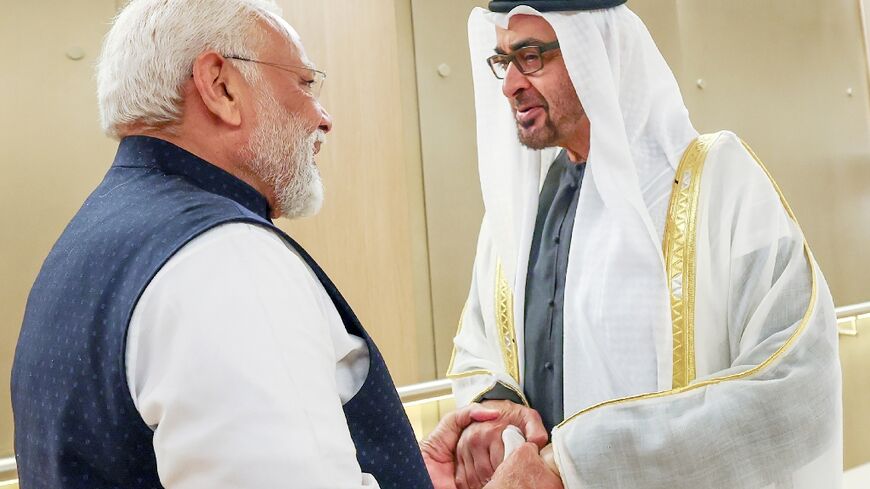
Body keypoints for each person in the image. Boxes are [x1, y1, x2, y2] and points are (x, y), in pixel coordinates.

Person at [10, 1, 544, 488]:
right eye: (306, 83)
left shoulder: (90, 242)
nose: (323, 117)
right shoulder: (224, 262)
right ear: (220, 86)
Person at [448, 1, 842, 488]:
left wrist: (571, 465)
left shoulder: (718, 184)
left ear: (599, 52)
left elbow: (797, 387)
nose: (510, 84)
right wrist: (494, 407)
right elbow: (478, 345)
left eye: (531, 57)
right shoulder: (518, 209)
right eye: (504, 61)